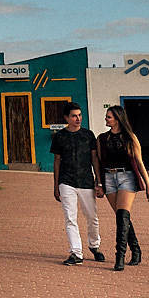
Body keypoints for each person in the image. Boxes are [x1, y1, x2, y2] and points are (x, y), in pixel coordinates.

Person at [97, 104, 149, 271]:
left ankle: (119, 257)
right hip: (108, 178)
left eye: (109, 117)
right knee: (123, 218)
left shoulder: (130, 138)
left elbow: (139, 162)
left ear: (117, 119)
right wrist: (98, 183)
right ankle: (136, 250)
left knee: (122, 216)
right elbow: (99, 163)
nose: (106, 119)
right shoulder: (102, 139)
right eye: (106, 116)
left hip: (126, 177)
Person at [50, 102, 105, 265]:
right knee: (70, 218)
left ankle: (94, 246)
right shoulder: (59, 136)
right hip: (66, 182)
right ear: (66, 118)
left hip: (86, 181)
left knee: (92, 217)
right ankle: (76, 252)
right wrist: (56, 186)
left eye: (80, 115)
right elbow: (57, 161)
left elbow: (94, 158)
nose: (78, 118)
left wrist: (99, 180)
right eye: (74, 116)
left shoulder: (88, 135)